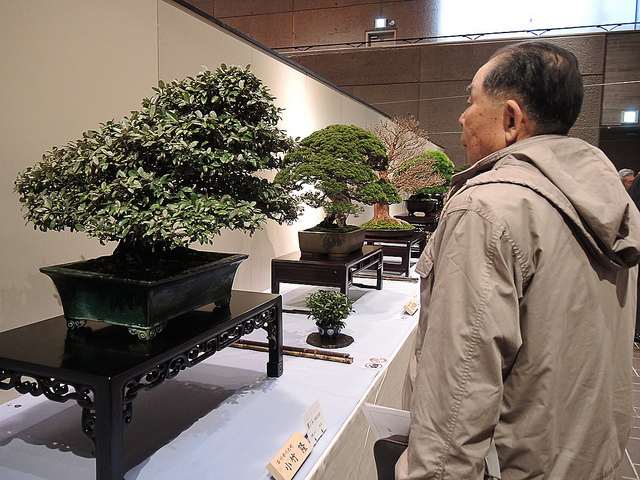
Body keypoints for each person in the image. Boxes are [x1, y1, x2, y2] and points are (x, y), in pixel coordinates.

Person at [396, 41, 640, 479]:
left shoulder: (487, 210)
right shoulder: (609, 205)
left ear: (510, 119)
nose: (462, 116)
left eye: (471, 101)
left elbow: (456, 399)